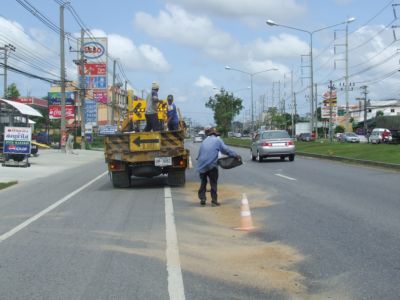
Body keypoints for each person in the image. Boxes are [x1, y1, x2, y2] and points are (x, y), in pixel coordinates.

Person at [196, 127, 241, 206]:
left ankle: (202, 198)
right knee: (213, 182)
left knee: (203, 182)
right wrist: (235, 155)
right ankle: (214, 201)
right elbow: (226, 150)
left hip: (201, 164)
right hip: (211, 164)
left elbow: (200, 154)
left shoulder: (205, 141)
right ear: (215, 134)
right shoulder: (217, 140)